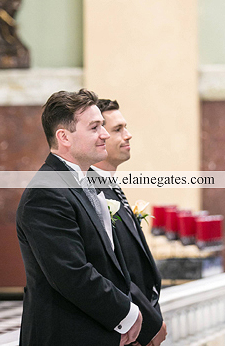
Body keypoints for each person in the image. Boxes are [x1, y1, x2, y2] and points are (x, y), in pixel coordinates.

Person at [16, 89, 142, 345]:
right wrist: (126, 312)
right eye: (95, 127)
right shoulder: (46, 193)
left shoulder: (85, 182)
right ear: (64, 137)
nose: (104, 134)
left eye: (103, 126)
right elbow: (71, 273)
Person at [93, 98, 167, 346]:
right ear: (99, 137)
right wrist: (148, 324)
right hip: (123, 328)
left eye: (125, 127)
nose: (128, 135)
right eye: (118, 129)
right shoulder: (91, 193)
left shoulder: (109, 186)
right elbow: (109, 270)